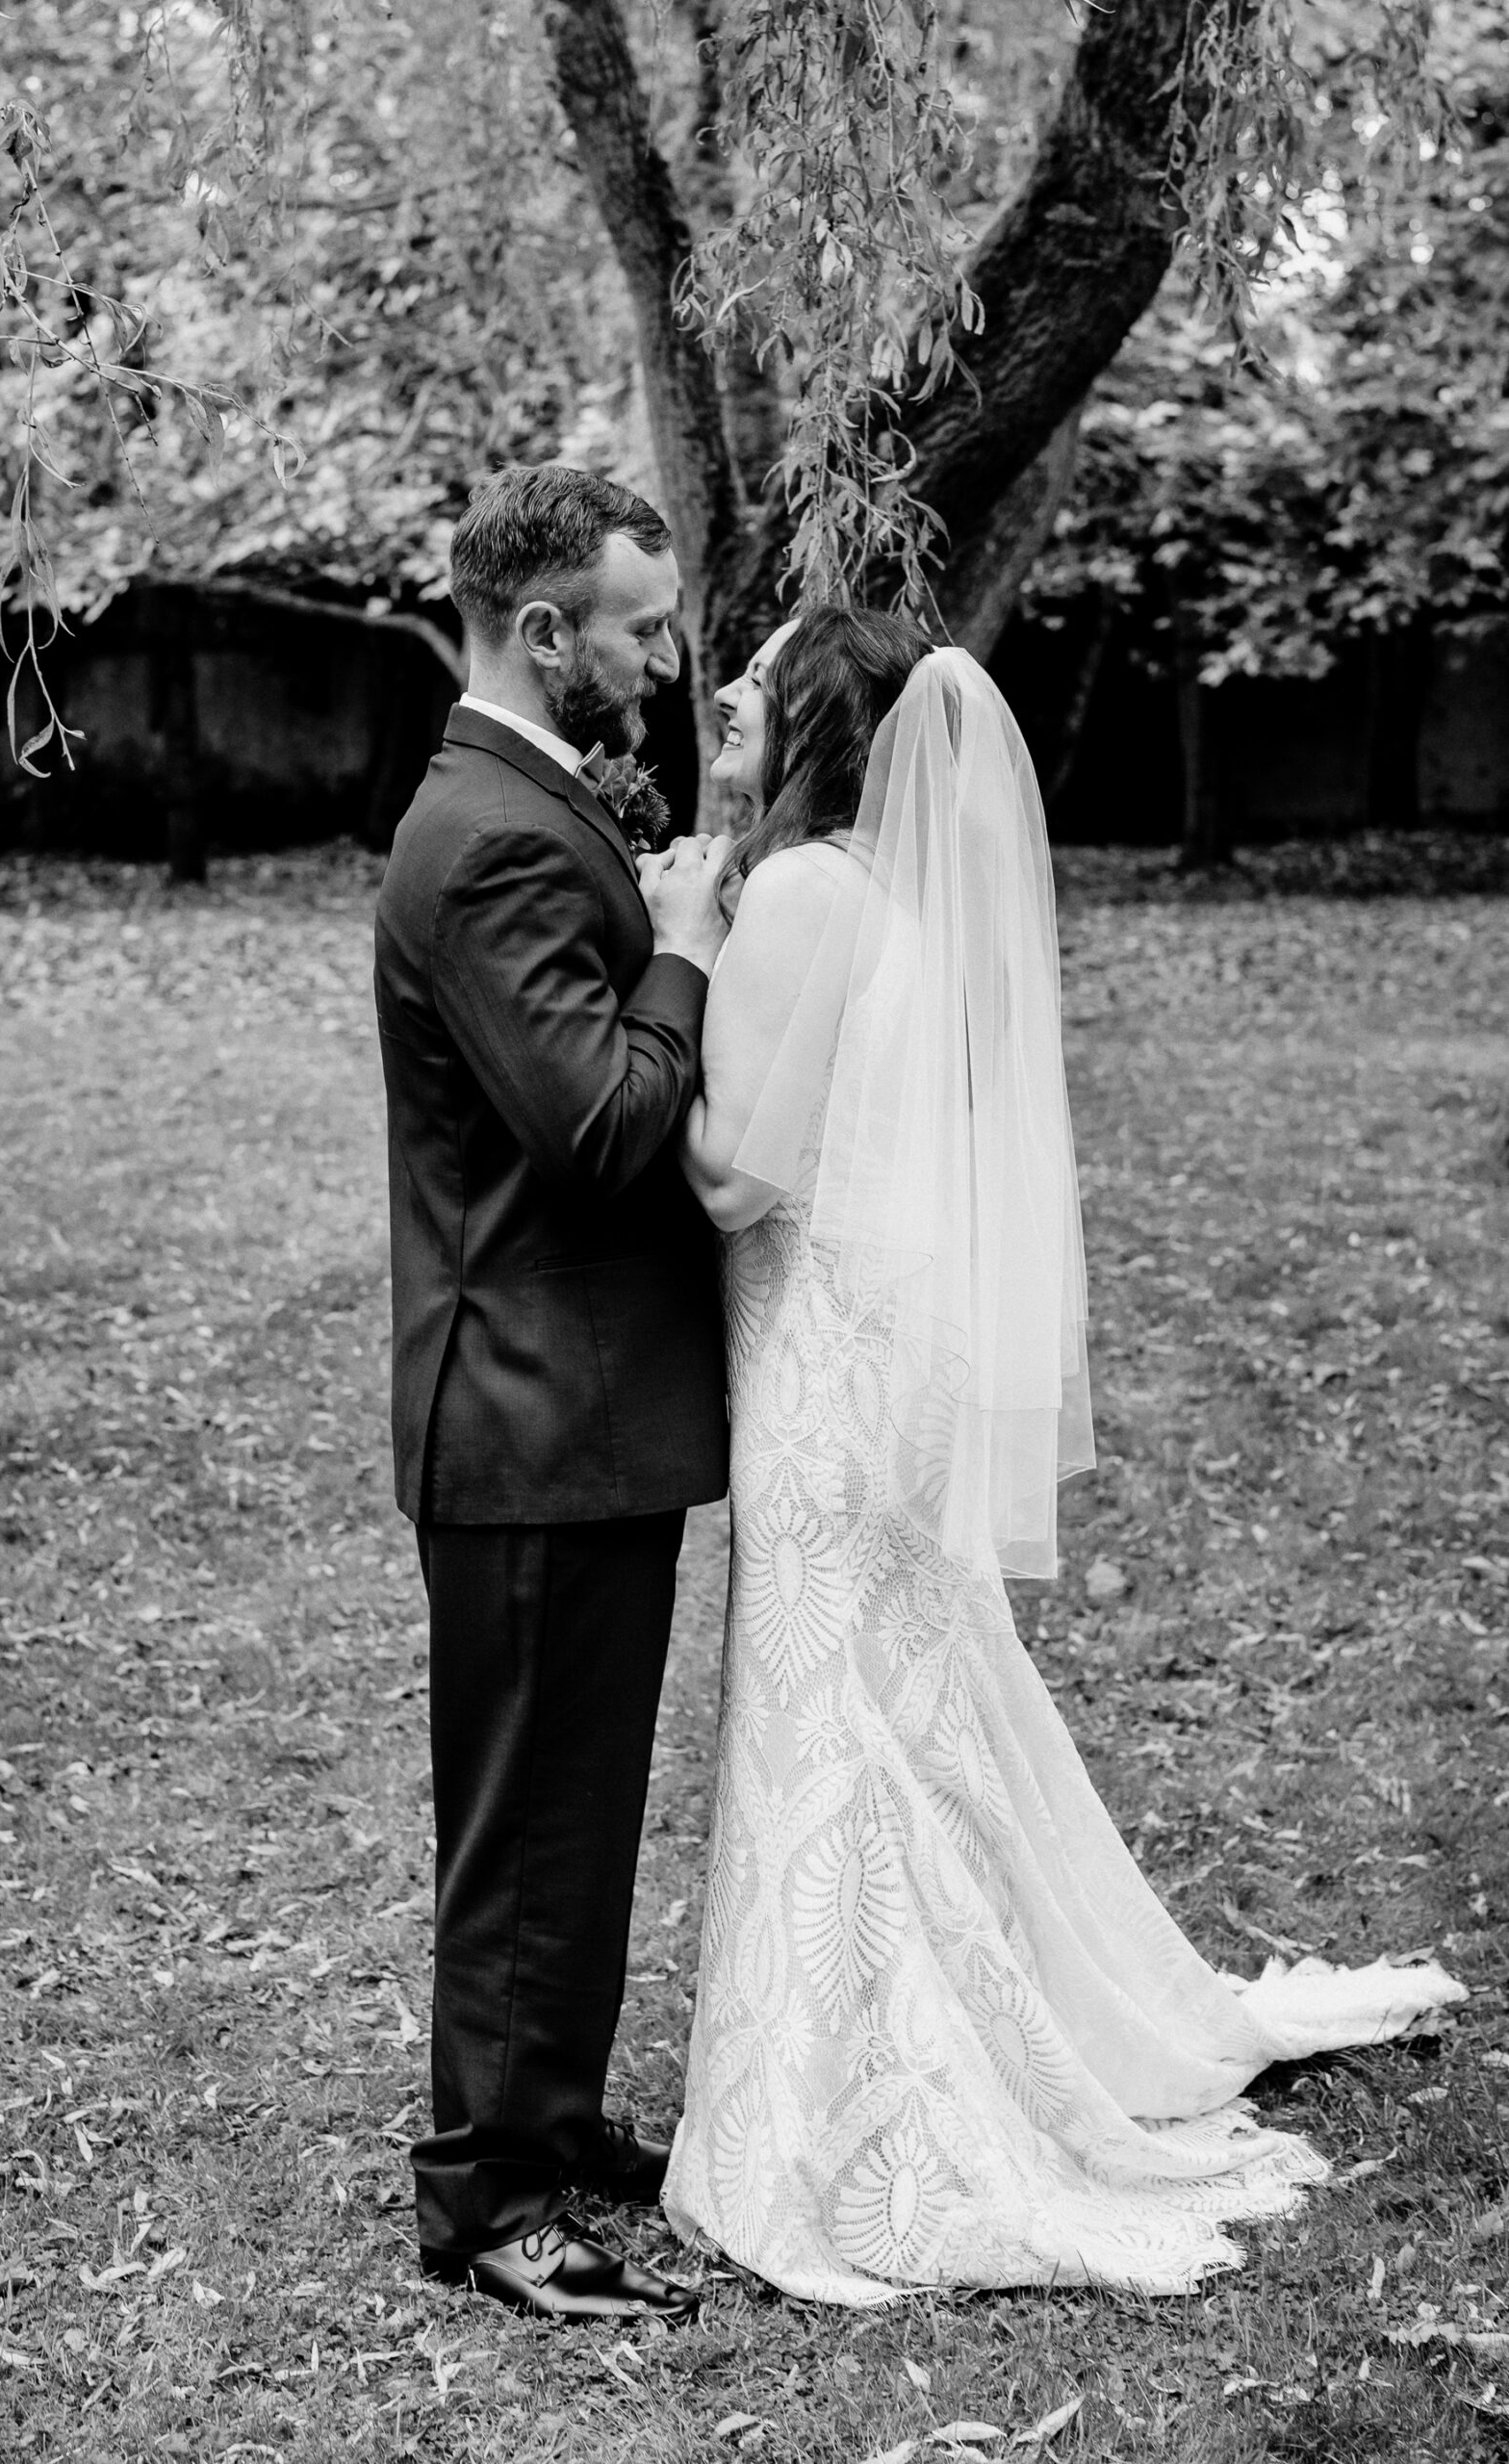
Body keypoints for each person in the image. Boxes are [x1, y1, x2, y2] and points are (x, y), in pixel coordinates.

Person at [661, 605, 1465, 2302]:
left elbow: (735, 1179)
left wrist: (672, 953)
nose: (725, 688)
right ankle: (937, 2033)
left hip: (822, 1364)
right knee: (905, 1695)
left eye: (757, 673)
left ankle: (856, 2118)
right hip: (875, 1345)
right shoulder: (859, 896)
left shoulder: (803, 896)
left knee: (830, 1706)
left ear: (815, 722)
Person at [373, 464, 732, 2323]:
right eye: (641, 629)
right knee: (527, 1822)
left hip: (574, 1404)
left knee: (575, 1805)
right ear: (542, 633)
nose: (663, 661)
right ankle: (492, 2203)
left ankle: (556, 2118)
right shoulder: (494, 834)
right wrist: (683, 937)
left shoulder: (522, 798)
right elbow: (600, 1124)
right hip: (530, 1409)